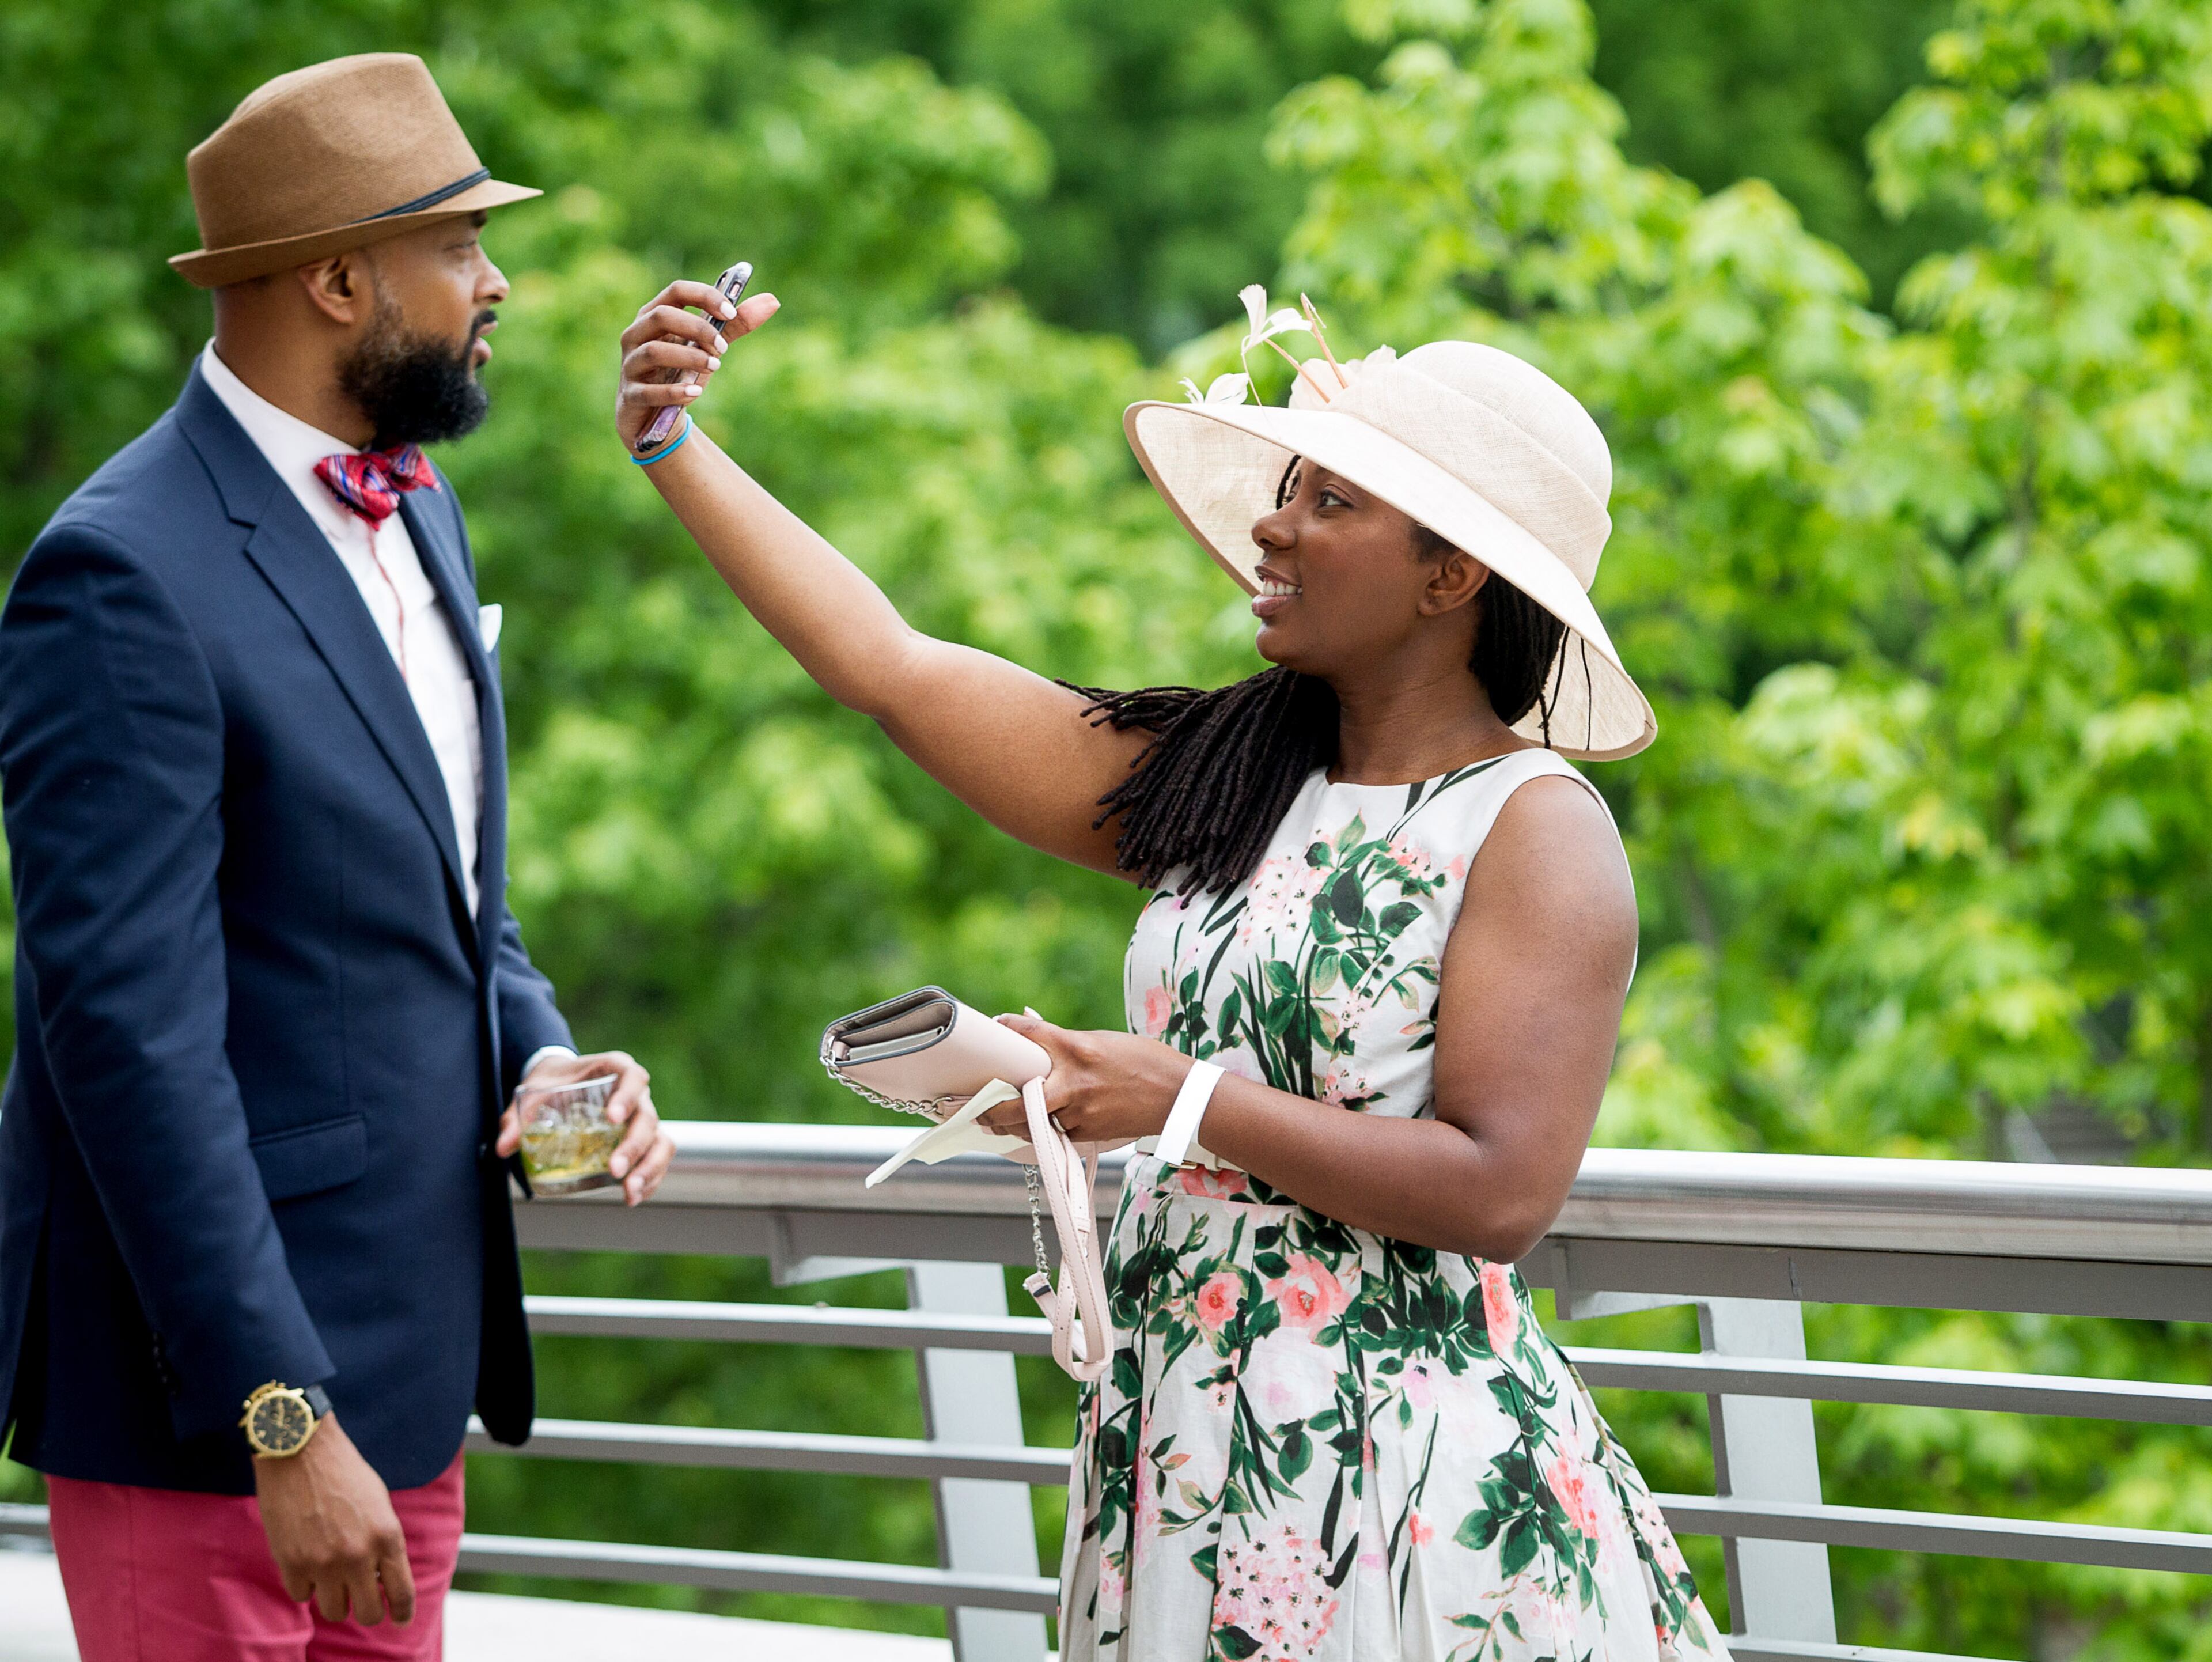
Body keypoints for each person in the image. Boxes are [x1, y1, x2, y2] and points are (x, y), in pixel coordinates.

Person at [612, 278, 1729, 1658]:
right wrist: (673, 443)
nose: (1272, 522)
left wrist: (1179, 1100)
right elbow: (891, 668)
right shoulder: (1232, 776)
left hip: (1400, 1484)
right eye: (1292, 489)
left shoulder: (1538, 829)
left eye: (1332, 503)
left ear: (1452, 578)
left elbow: (1502, 1190)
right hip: (1184, 1445)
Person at [0, 54, 675, 1661]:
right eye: (461, 246)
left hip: (412, 1377)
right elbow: (126, 1039)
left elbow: (454, 894)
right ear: (339, 274)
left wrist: (552, 1055)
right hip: (219, 1416)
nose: (496, 283)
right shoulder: (116, 573)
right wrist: (278, 1414)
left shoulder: (422, 510)